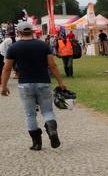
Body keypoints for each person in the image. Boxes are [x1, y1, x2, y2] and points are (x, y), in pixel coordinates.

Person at [1, 21, 67, 150]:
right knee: (47, 111)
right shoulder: (42, 45)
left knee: (30, 114)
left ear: (19, 32)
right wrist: (61, 82)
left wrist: (3, 86)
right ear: (32, 31)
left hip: (25, 84)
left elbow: (7, 69)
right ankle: (52, 130)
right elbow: (52, 65)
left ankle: (37, 143)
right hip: (43, 82)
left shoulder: (13, 48)